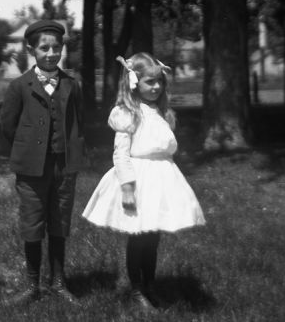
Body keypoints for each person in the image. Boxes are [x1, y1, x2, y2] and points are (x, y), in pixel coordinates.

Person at [82, 53, 205, 310]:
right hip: (138, 179)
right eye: (150, 82)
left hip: (161, 178)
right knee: (138, 236)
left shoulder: (160, 112)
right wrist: (127, 188)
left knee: (153, 236)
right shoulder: (128, 113)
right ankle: (136, 288)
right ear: (134, 82)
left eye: (159, 82)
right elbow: (121, 154)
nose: (156, 87)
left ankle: (150, 283)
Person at [0, 20, 85, 305]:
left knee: (59, 223)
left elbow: (78, 122)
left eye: (56, 47)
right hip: (32, 170)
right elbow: (8, 126)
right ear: (31, 49)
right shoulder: (19, 86)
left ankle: (59, 282)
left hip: (63, 167)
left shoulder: (72, 85)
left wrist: (71, 154)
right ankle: (32, 284)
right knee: (32, 223)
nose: (51, 53)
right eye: (44, 48)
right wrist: (29, 153)